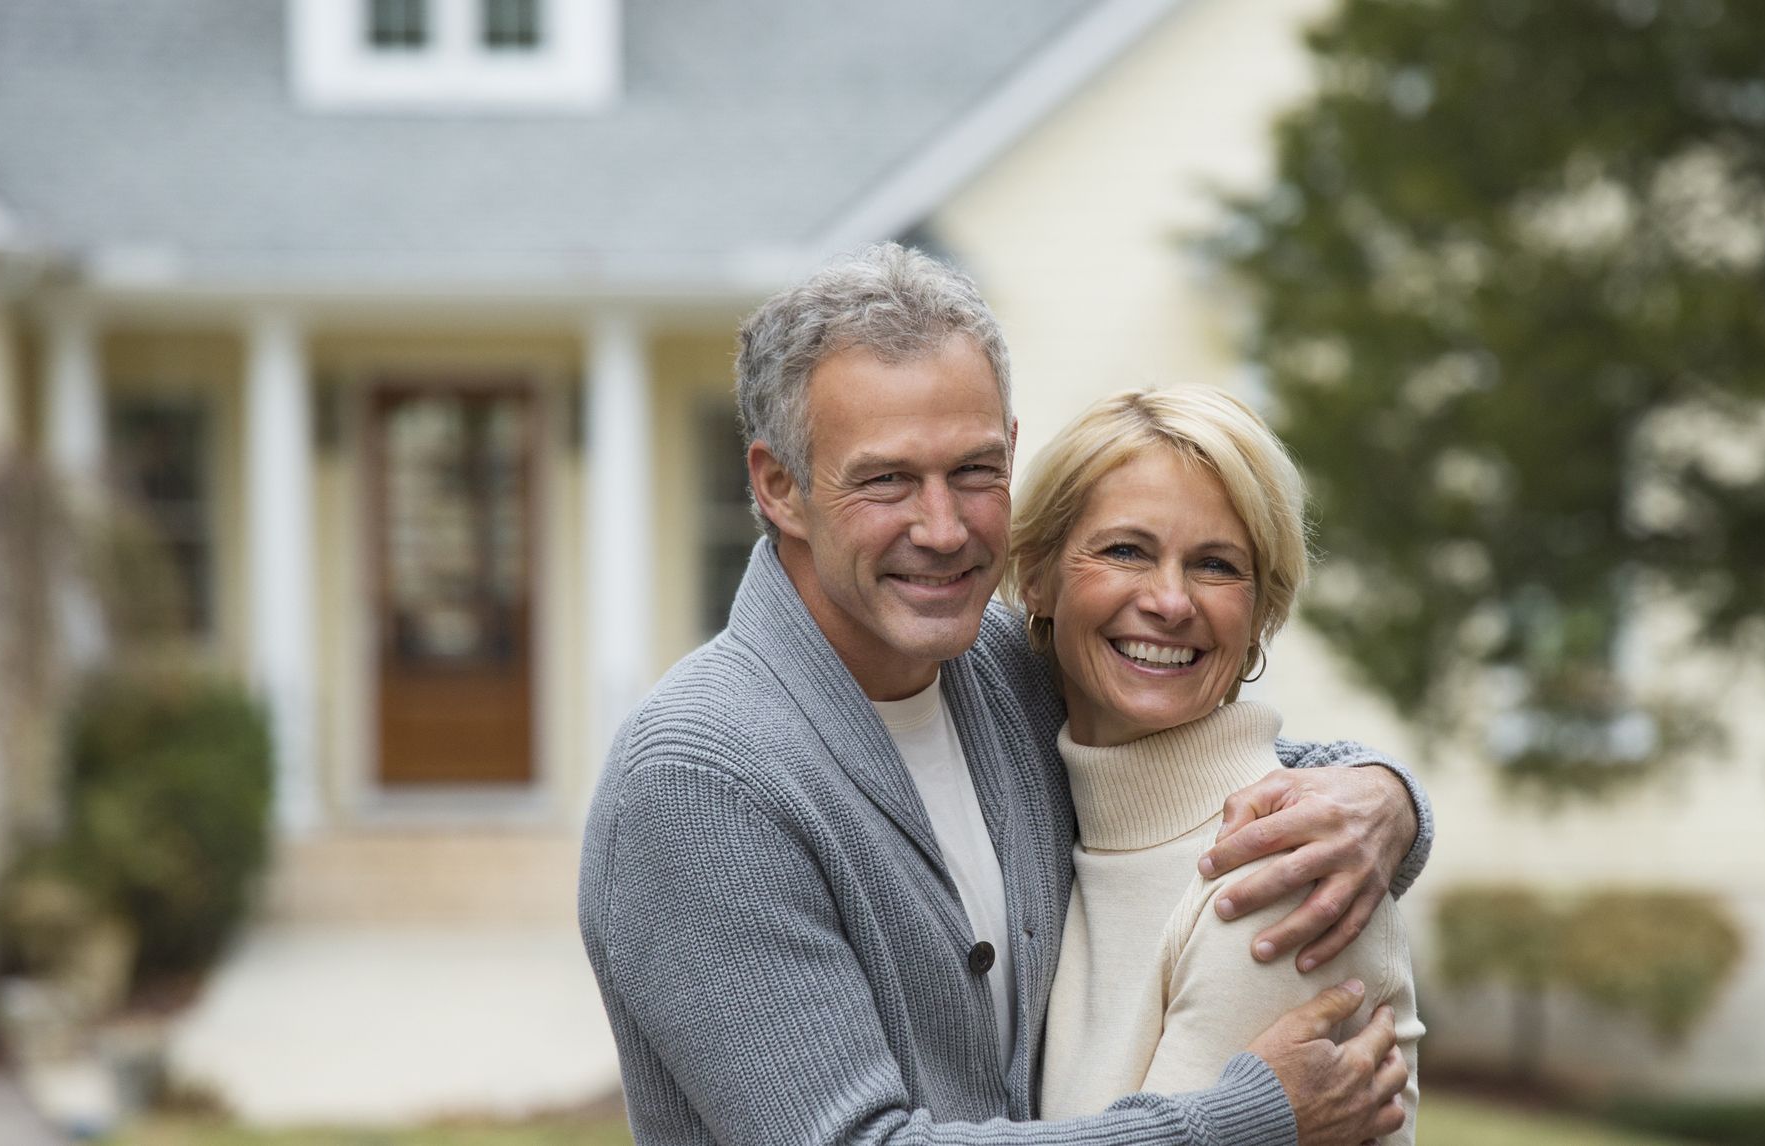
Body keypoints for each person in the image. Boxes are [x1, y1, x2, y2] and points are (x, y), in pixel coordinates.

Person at [577, 243, 1434, 1145]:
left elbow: (1191, 764)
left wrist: (1384, 798)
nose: (943, 529)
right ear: (779, 487)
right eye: (887, 480)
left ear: (1014, 453)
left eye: (975, 471)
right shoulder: (701, 781)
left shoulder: (996, 663)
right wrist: (1244, 1122)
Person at [1008, 389, 1422, 1141]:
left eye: (1215, 565)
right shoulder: (1059, 829)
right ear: (1035, 578)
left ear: (1261, 613)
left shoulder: (1283, 871)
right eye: (1127, 550)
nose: (1170, 601)